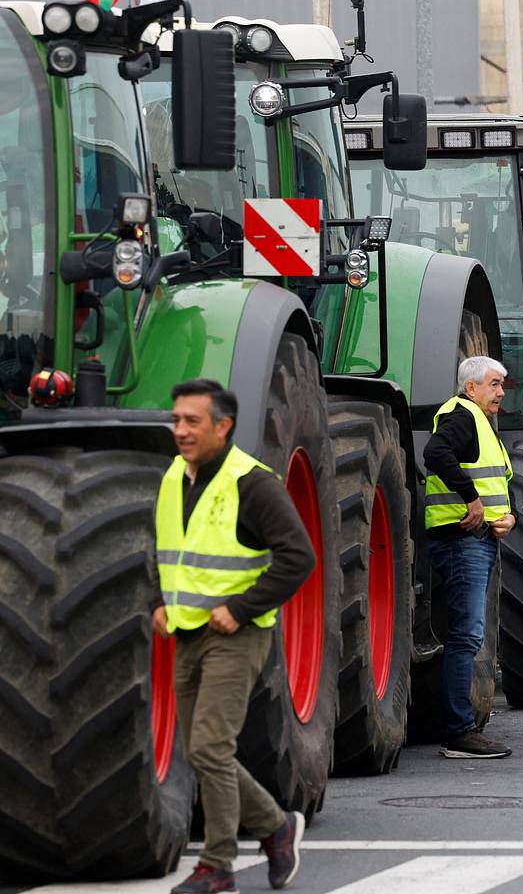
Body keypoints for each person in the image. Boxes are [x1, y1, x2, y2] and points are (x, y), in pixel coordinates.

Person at [151, 380, 314, 894]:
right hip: (185, 630)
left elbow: (299, 558)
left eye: (191, 422)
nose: (180, 431)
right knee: (201, 750)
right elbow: (166, 550)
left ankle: (218, 865)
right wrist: (159, 602)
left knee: (210, 747)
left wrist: (240, 610)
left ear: (222, 426)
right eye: (177, 420)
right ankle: (276, 826)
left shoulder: (253, 483)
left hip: (236, 635)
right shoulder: (176, 475)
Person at [423, 356, 517, 758]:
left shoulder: (483, 426)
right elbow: (435, 454)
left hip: (478, 539)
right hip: (464, 541)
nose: (500, 392)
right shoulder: (461, 415)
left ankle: (458, 725)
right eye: (494, 385)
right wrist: (472, 500)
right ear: (471, 387)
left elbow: (500, 486)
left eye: (502, 385)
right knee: (466, 635)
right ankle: (458, 732)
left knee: (463, 633)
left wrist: (510, 517)